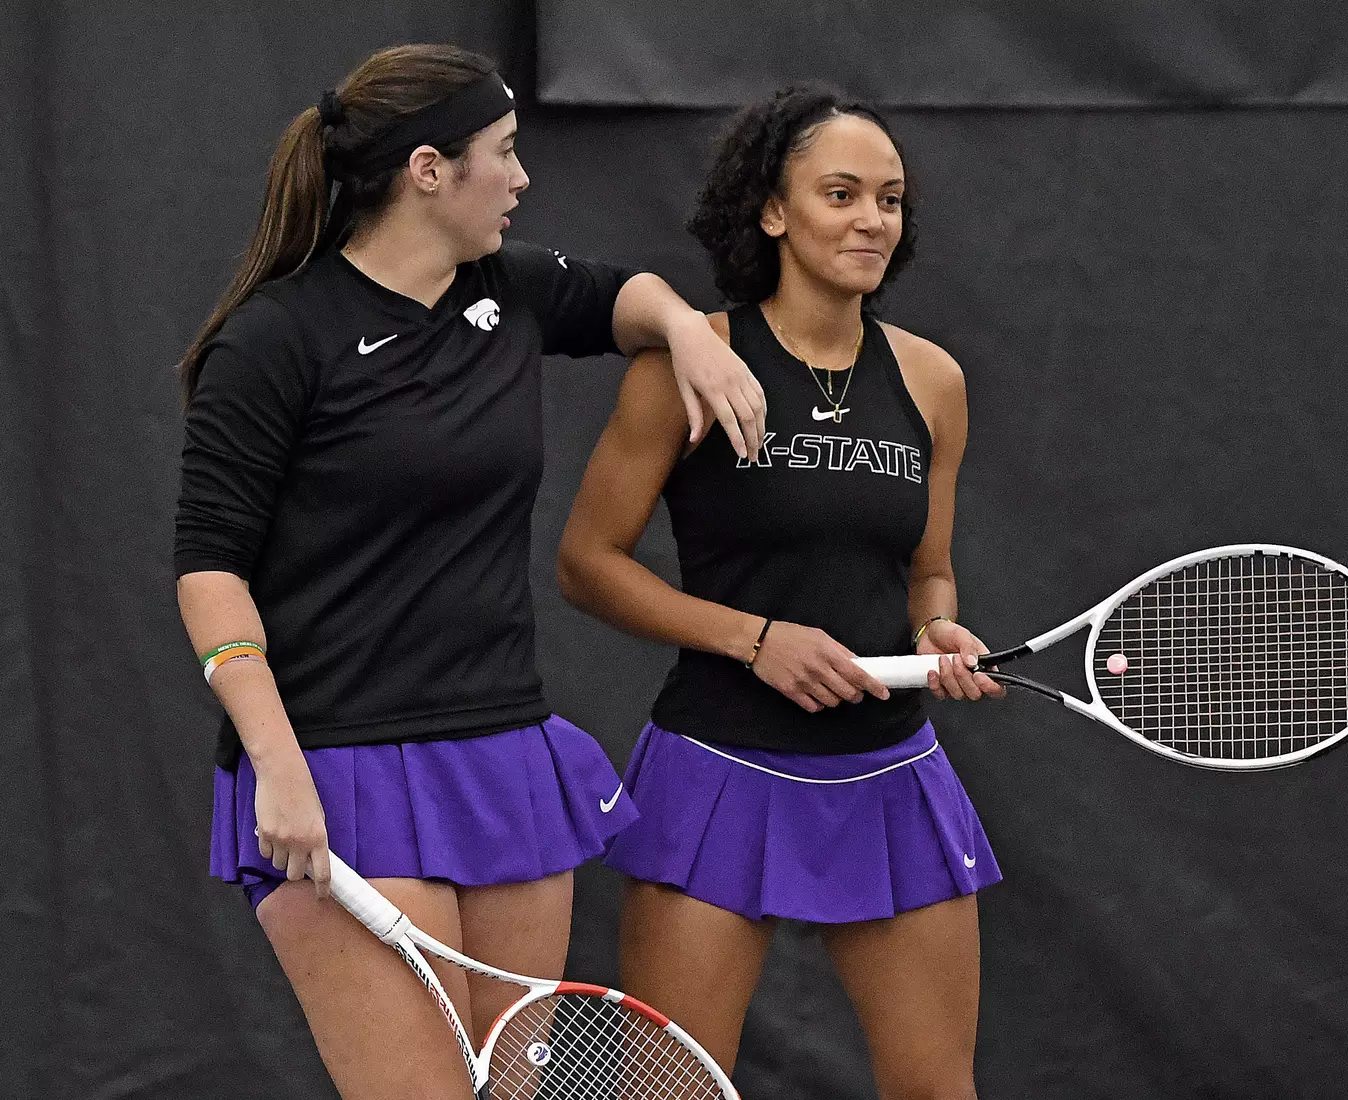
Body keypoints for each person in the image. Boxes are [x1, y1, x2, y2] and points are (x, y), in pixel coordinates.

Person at [174, 43, 765, 1100]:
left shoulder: (509, 288)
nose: (524, 177)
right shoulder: (275, 342)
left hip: (502, 762)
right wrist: (278, 761)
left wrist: (689, 332)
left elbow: (622, 294)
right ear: (427, 172)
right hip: (336, 770)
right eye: (503, 153)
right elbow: (210, 572)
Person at [557, 85, 1005, 1099]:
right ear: (772, 211)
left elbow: (927, 565)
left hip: (891, 769)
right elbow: (587, 561)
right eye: (839, 193)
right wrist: (756, 638)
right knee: (671, 1089)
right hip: (718, 766)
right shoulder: (689, 364)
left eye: (888, 199)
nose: (871, 220)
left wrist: (938, 623)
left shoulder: (932, 379)